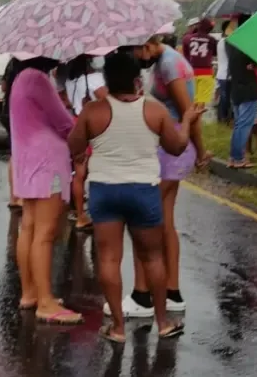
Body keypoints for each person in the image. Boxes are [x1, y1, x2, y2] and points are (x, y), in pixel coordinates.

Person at [69, 49, 204, 341]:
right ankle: (163, 323)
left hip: (105, 190)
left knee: (108, 259)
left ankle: (117, 327)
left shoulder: (94, 111)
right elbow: (177, 147)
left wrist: (82, 113)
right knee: (152, 257)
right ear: (136, 79)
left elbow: (74, 146)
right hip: (143, 191)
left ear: (107, 78)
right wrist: (189, 120)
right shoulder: (154, 110)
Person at [111, 35, 211, 319]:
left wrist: (201, 150)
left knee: (145, 220)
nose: (139, 60)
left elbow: (187, 112)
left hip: (172, 148)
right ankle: (171, 292)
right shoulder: (167, 61)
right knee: (164, 221)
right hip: (172, 147)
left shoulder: (168, 65)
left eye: (138, 52)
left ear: (148, 45)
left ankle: (142, 296)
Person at [9, 56, 82, 324]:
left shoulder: (20, 79)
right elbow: (64, 123)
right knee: (45, 233)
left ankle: (30, 292)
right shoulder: (38, 79)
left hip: (27, 162)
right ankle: (46, 302)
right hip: (47, 162)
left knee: (29, 227)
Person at [64, 55, 108, 232]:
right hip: (92, 127)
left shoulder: (71, 81)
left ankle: (78, 213)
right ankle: (96, 212)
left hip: (75, 124)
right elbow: (108, 100)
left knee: (79, 173)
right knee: (96, 172)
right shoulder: (94, 79)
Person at [227, 15, 257, 168]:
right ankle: (239, 158)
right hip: (248, 88)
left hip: (235, 88)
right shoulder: (249, 43)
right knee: (244, 124)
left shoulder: (231, 41)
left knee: (238, 124)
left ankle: (233, 158)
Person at [0, 58, 23, 212]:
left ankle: (14, 196)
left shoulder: (12, 63)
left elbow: (3, 86)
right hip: (21, 113)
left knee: (14, 154)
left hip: (8, 111)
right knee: (20, 154)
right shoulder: (29, 66)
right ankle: (19, 196)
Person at [182, 18, 218, 109]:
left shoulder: (187, 38)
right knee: (202, 100)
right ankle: (198, 119)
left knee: (192, 99)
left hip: (191, 71)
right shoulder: (212, 39)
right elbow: (214, 53)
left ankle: (190, 118)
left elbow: (185, 55)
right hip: (206, 72)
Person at [215, 20, 232, 124]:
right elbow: (230, 59)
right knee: (226, 99)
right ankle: (223, 118)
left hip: (221, 74)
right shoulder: (227, 41)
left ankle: (222, 118)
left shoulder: (220, 41)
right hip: (227, 75)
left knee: (223, 98)